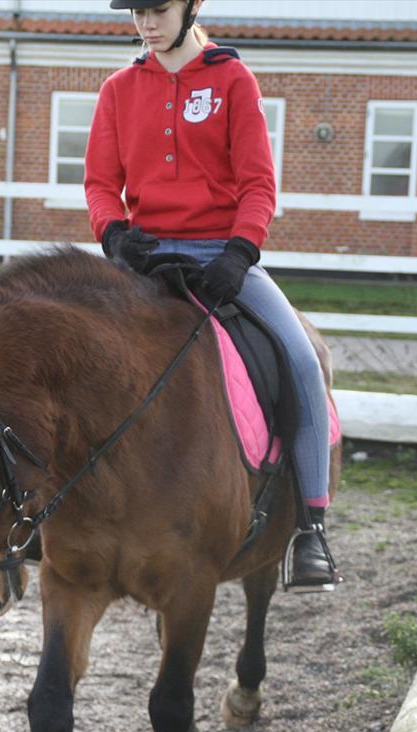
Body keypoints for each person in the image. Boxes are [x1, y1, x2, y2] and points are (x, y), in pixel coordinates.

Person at [85, 0, 339, 591]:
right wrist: (115, 236)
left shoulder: (232, 79)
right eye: (138, 13)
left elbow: (258, 183)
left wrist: (240, 251)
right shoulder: (119, 89)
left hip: (223, 258)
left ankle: (311, 529)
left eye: (158, 9)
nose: (146, 23)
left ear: (191, 6)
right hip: (145, 256)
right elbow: (101, 183)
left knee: (301, 361)